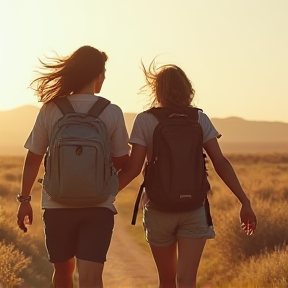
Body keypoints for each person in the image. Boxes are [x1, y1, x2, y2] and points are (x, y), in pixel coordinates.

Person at [117, 59, 257, 288]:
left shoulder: (145, 120)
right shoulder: (199, 118)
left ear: (157, 90)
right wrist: (245, 201)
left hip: (158, 207)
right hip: (194, 208)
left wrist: (106, 195)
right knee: (188, 280)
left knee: (167, 280)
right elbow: (220, 162)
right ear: (187, 88)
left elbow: (133, 169)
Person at [16, 45, 130, 288]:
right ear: (98, 75)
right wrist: (107, 188)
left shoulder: (50, 109)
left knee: (63, 274)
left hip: (57, 205)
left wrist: (25, 200)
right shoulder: (111, 112)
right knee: (91, 278)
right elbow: (122, 161)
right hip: (98, 207)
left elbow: (33, 158)